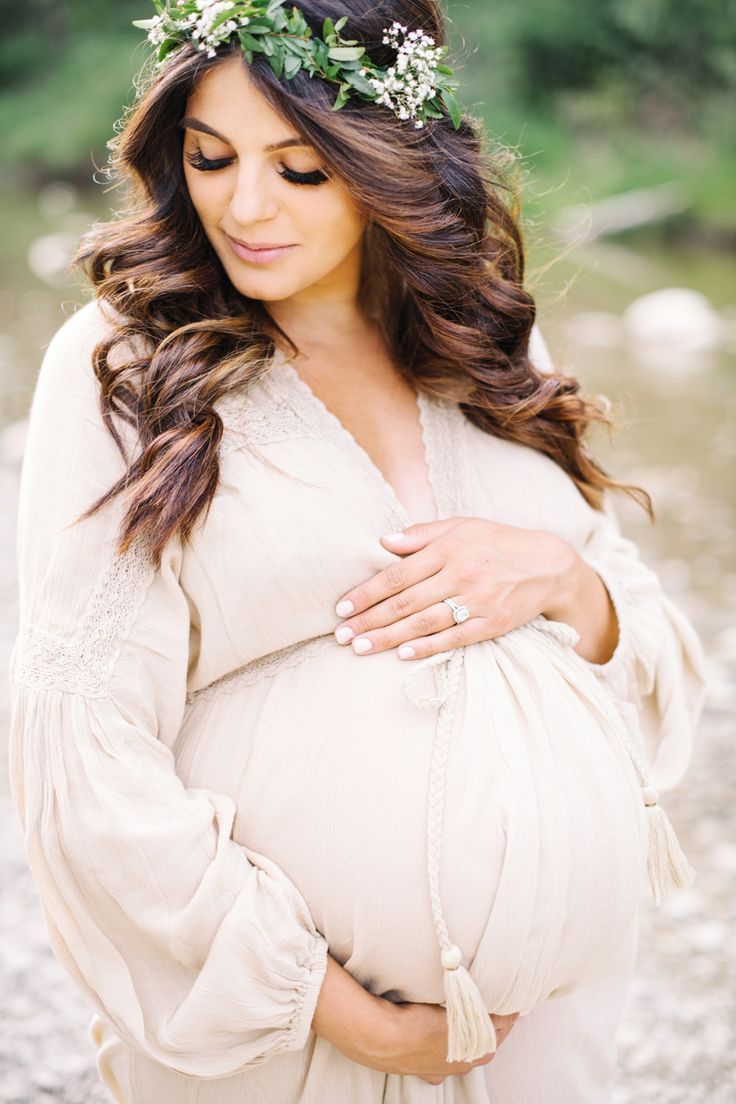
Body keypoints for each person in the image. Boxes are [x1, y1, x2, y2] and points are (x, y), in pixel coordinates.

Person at [8, 1, 708, 1101]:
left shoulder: (485, 335)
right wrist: (341, 1015)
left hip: (550, 1027)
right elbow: (82, 748)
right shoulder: (126, 368)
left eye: (301, 170)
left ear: (389, 164)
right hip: (283, 1041)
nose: (245, 207)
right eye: (211, 157)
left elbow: (644, 631)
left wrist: (560, 578)